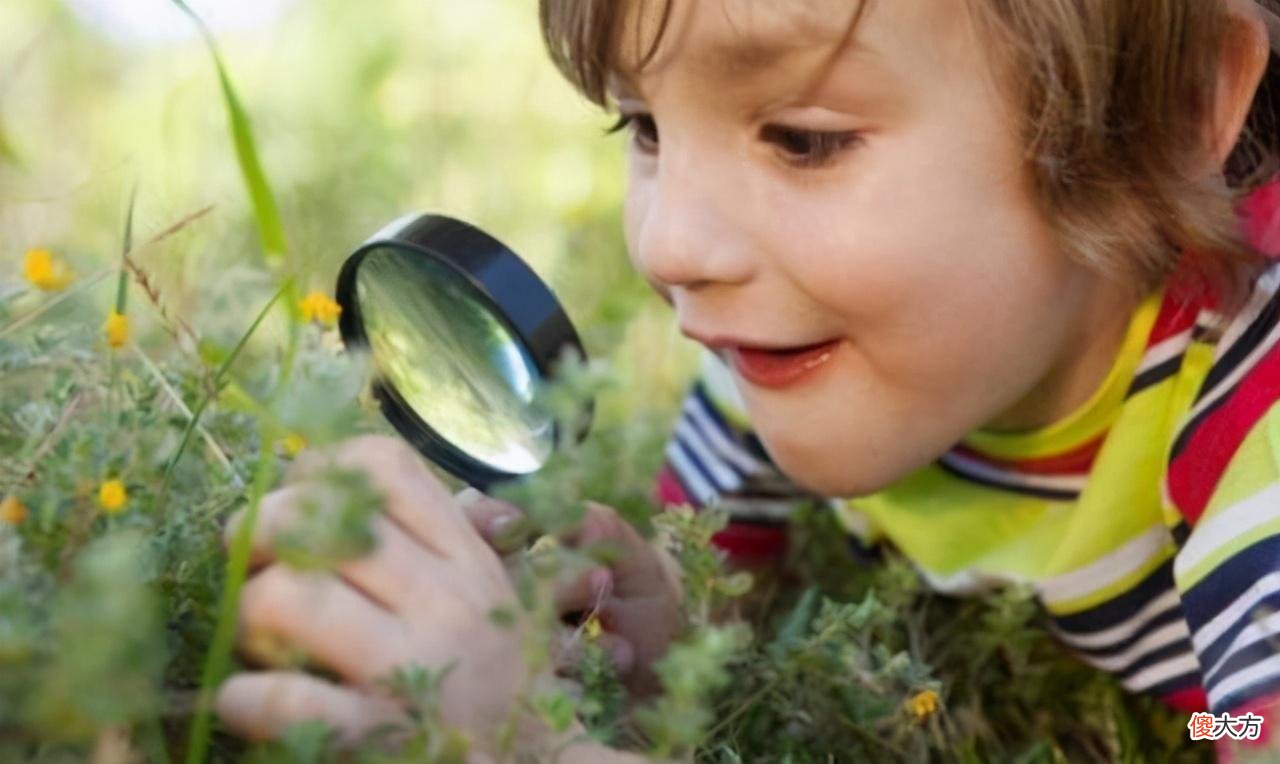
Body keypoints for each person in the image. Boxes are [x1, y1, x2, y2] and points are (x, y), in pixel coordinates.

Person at [215, 0, 1280, 759]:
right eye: (642, 126)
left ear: (1177, 108)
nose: (671, 244)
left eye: (803, 139)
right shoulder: (779, 350)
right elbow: (722, 644)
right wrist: (663, 659)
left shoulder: (1254, 406)